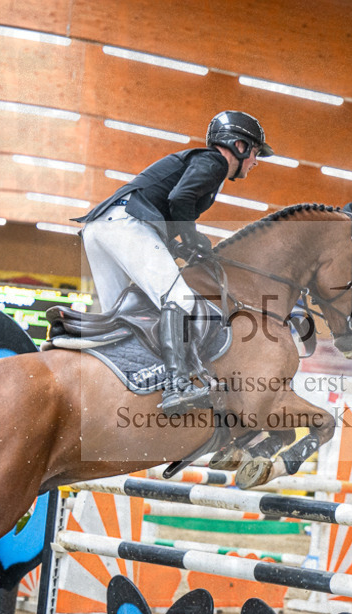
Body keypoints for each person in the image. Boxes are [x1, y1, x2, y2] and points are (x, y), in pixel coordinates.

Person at [73, 111, 273, 415]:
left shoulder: (202, 162)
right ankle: (177, 384)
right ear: (240, 146)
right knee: (179, 299)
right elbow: (181, 198)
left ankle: (112, 383)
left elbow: (170, 205)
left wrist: (182, 243)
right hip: (127, 225)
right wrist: (191, 238)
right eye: (256, 152)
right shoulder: (214, 162)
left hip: (101, 228)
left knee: (119, 315)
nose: (256, 162)